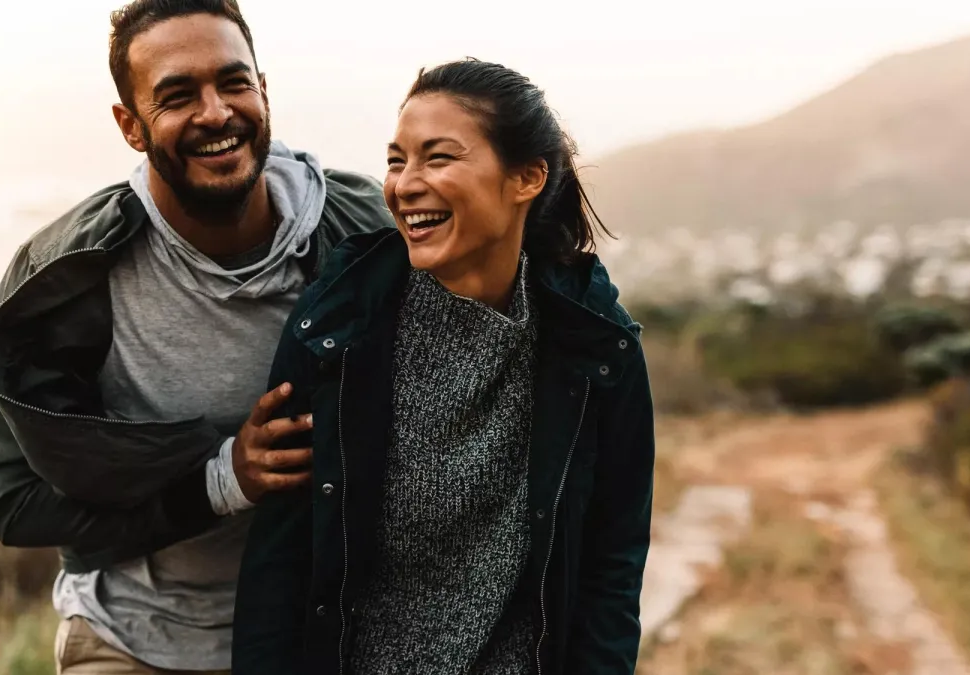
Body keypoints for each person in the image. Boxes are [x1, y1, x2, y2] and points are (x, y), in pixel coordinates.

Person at [0, 1, 392, 673]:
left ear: (263, 90)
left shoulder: (364, 229)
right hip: (133, 639)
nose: (216, 112)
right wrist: (221, 481)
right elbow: (10, 499)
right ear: (130, 126)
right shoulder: (61, 275)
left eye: (233, 82)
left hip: (324, 635)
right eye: (176, 95)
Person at [232, 58, 655, 675]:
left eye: (438, 158)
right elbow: (281, 560)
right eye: (397, 160)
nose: (404, 185)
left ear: (526, 178)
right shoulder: (337, 329)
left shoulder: (596, 348)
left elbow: (610, 570)